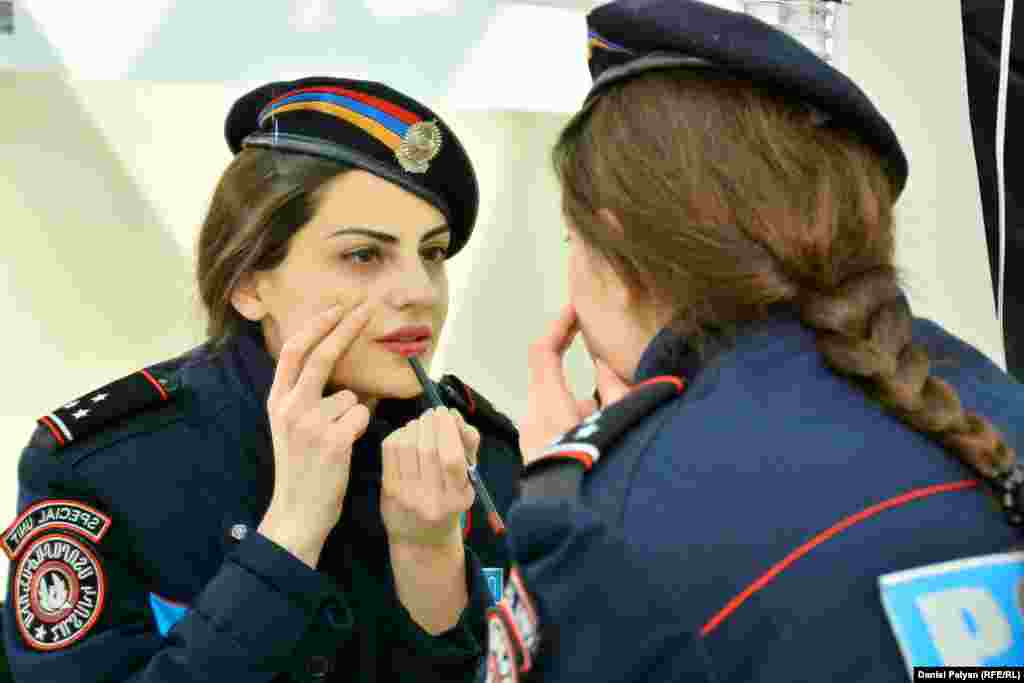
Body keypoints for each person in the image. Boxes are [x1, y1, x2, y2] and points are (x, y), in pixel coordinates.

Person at [480, 2, 1024, 681]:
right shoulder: (989, 404)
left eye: (573, 240)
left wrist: (581, 483)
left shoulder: (606, 525)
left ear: (616, 245)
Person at [2, 76, 521, 682]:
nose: (418, 293)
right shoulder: (103, 469)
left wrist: (428, 559)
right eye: (364, 255)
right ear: (248, 283)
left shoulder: (480, 456)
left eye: (431, 253)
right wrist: (289, 533)